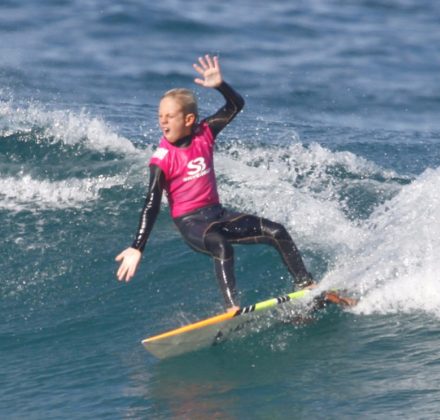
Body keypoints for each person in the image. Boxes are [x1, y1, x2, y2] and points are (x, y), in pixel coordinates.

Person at [115, 55, 314, 313]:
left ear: (188, 120)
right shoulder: (162, 159)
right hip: (191, 223)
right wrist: (136, 246)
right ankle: (232, 308)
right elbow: (151, 203)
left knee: (276, 231)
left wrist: (221, 85)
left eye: (170, 116)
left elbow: (235, 105)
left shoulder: (204, 133)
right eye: (160, 116)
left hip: (218, 213)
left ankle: (306, 284)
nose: (162, 121)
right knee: (220, 243)